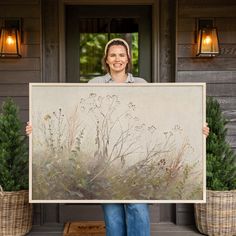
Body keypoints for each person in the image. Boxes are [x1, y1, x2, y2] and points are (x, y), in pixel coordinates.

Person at [26, 38, 210, 236]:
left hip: (136, 157)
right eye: (113, 55)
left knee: (137, 208)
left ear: (128, 58)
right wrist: (39, 129)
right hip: (106, 160)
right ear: (106, 59)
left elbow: (160, 116)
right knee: (112, 214)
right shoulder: (95, 84)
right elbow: (80, 117)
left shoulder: (141, 84)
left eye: (121, 55)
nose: (117, 59)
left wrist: (195, 130)